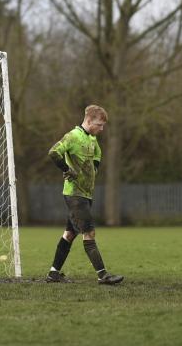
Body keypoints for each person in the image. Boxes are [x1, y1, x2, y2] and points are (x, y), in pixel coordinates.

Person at [45, 104, 124, 285]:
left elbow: (97, 157)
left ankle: (53, 274)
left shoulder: (92, 139)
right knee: (89, 232)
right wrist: (67, 169)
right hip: (75, 194)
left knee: (69, 234)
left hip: (86, 195)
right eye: (99, 124)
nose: (102, 129)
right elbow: (53, 152)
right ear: (89, 120)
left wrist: (93, 169)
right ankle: (103, 275)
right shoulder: (73, 136)